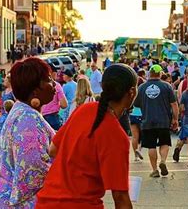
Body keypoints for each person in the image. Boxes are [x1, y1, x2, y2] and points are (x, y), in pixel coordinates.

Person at [36, 64, 136, 208]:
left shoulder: (83, 110)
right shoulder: (117, 135)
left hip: (46, 201)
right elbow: (120, 197)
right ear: (131, 92)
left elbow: (53, 150)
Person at [0, 57, 56, 207]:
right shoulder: (27, 119)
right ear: (35, 90)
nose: (54, 84)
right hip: (12, 201)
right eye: (48, 80)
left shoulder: (21, 111)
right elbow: (32, 169)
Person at [134, 64, 179, 178]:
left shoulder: (142, 88)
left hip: (147, 120)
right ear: (160, 74)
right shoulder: (167, 86)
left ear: (149, 73)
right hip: (163, 120)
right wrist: (175, 119)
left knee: (151, 146)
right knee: (164, 143)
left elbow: (136, 105)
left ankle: (154, 170)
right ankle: (163, 161)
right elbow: (174, 105)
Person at [41, 64, 68, 130]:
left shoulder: (38, 85)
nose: (57, 73)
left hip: (41, 119)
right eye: (55, 72)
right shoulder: (56, 85)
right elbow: (64, 104)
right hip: (53, 119)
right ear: (51, 73)